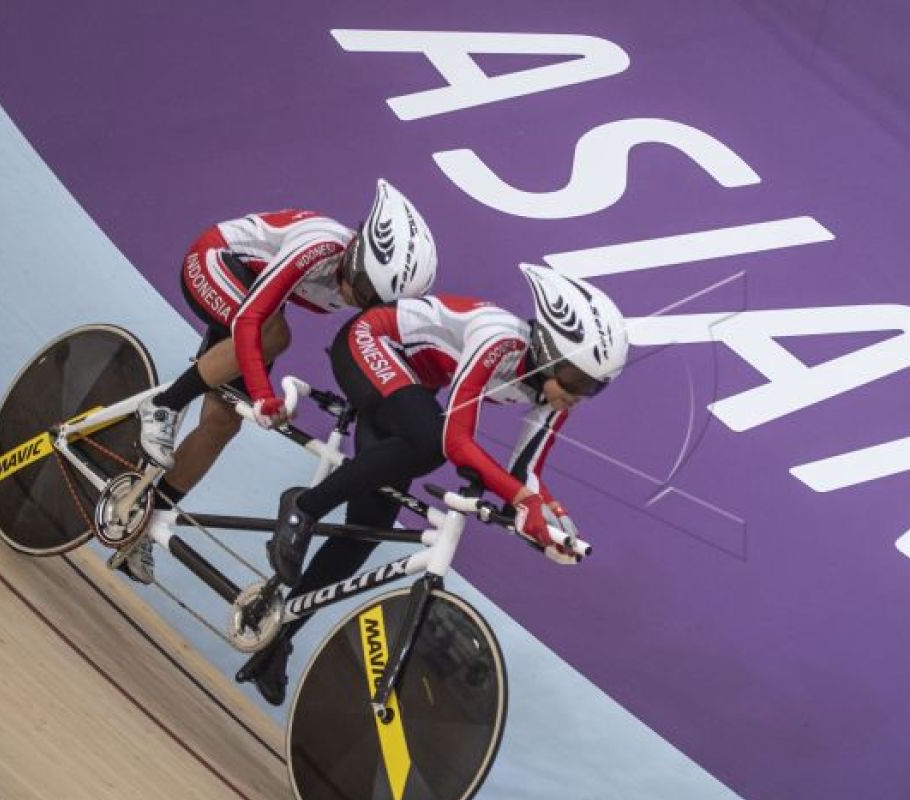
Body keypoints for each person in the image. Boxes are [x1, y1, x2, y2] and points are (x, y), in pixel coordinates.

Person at [235, 263, 630, 704]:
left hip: (408, 388)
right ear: (547, 349)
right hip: (370, 341)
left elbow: (525, 476)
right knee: (429, 441)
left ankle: (277, 639)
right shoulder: (498, 339)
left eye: (592, 389)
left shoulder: (556, 398)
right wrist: (521, 500)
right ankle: (303, 507)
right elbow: (455, 440)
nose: (576, 397)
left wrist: (553, 524)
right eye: (575, 381)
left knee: (366, 527)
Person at [123, 180, 437, 584]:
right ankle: (163, 406)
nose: (361, 302)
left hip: (252, 297)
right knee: (275, 335)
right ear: (357, 256)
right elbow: (251, 321)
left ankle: (145, 519)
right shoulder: (320, 246)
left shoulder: (367, 283)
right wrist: (262, 393)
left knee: (222, 423)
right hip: (213, 262)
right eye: (362, 290)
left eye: (374, 301)